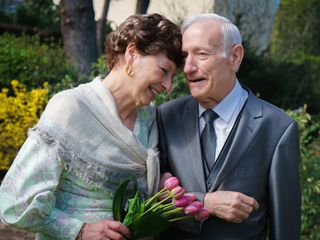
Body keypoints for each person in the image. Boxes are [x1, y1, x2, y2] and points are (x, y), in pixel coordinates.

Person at [0, 13, 182, 240]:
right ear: (132, 53)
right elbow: (16, 202)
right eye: (164, 71)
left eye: (172, 77)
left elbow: (137, 193)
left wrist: (161, 187)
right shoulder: (71, 107)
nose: (168, 86)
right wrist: (80, 230)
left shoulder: (149, 119)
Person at [157, 13, 301, 239]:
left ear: (235, 57)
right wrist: (204, 202)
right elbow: (149, 194)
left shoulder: (277, 128)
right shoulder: (166, 116)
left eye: (201, 54)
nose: (187, 68)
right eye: (184, 56)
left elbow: (285, 230)